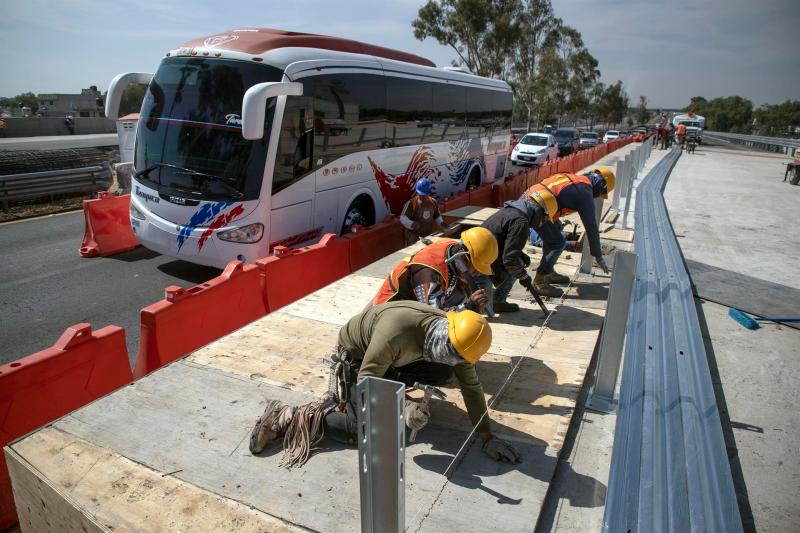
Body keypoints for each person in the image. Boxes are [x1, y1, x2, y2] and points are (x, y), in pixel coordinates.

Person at [249, 301, 521, 466]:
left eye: (460, 359)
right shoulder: (397, 333)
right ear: (443, 340)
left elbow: (471, 389)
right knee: (364, 431)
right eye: (451, 356)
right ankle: (286, 417)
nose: (455, 362)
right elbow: (369, 380)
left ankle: (395, 382)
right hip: (358, 358)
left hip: (392, 357)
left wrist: (486, 436)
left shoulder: (457, 337)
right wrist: (403, 407)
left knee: (442, 374)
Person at [521, 168, 615, 296]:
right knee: (557, 243)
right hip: (537, 206)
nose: (598, 196)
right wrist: (598, 255)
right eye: (601, 193)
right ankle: (540, 281)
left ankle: (549, 271)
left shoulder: (578, 179)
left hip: (532, 197)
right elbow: (591, 227)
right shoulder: (584, 193)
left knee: (557, 228)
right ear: (602, 186)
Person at [372, 227, 497, 313]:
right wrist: (468, 306)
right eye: (476, 267)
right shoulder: (428, 273)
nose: (478, 273)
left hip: (413, 300)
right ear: (464, 257)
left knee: (460, 295)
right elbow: (435, 316)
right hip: (388, 311)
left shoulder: (452, 247)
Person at [479, 197, 547, 313]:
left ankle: (495, 299)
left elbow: (502, 238)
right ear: (538, 213)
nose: (540, 224)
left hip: (483, 251)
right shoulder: (521, 221)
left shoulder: (511, 211)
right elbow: (510, 259)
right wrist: (523, 276)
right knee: (517, 264)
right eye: (542, 219)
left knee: (519, 260)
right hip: (481, 258)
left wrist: (520, 253)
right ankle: (497, 301)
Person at [399, 178, 447, 245]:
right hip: (414, 239)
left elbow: (437, 216)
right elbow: (403, 218)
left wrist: (441, 223)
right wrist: (411, 224)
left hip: (428, 236)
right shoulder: (411, 203)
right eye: (421, 195)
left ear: (429, 193)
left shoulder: (433, 202)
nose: (423, 197)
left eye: (425, 195)